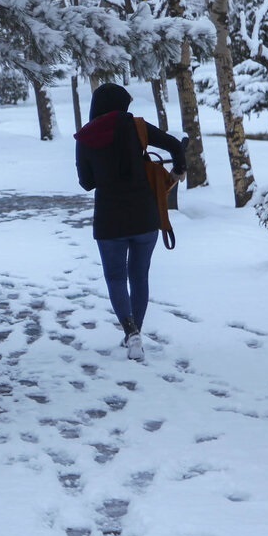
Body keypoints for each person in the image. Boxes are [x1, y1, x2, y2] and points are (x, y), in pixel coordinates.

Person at [74, 83, 186, 361]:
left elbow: (87, 183)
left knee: (115, 277)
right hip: (144, 216)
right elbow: (174, 145)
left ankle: (130, 331)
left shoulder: (86, 136)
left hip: (110, 220)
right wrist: (177, 172)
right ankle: (135, 333)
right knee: (139, 276)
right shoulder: (137, 126)